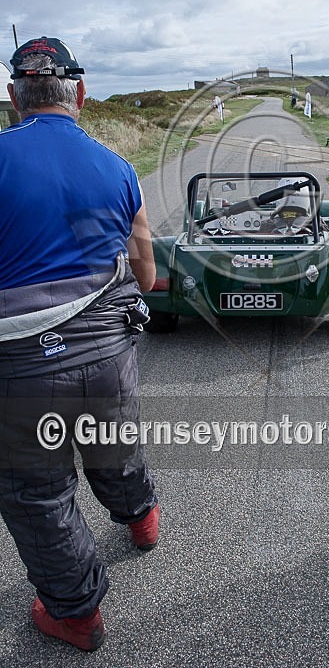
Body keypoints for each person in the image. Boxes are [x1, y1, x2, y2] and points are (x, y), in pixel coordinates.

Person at [0, 37, 159, 650]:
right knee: (113, 443)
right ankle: (141, 519)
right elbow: (146, 276)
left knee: (37, 491)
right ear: (81, 94)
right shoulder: (117, 167)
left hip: (20, 369)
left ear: (14, 97)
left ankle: (75, 614)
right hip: (109, 354)